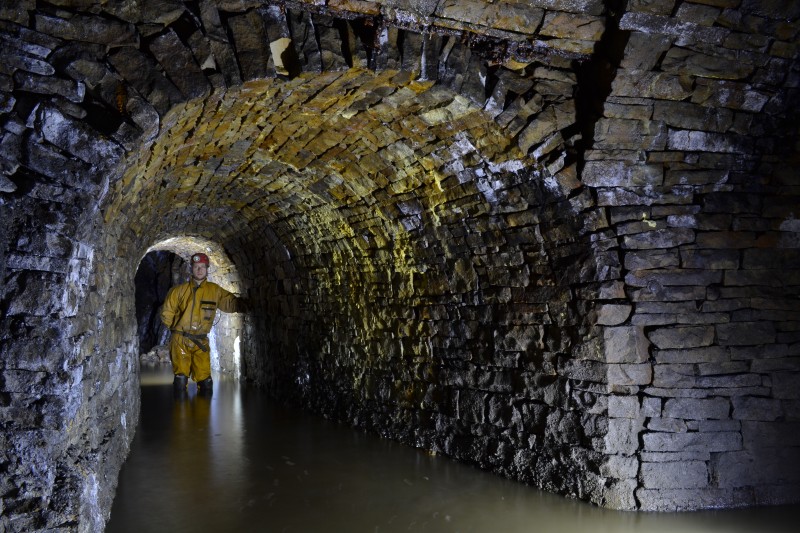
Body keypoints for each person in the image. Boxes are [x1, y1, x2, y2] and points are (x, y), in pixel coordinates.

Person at [160, 252, 243, 394]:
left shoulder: (214, 290)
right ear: (191, 268)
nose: (199, 270)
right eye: (196, 267)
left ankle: (202, 414)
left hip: (201, 341)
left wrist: (250, 303)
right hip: (180, 340)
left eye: (202, 267)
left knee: (206, 382)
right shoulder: (178, 291)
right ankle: (181, 413)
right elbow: (167, 313)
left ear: (207, 269)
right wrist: (177, 330)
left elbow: (230, 303)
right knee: (180, 379)